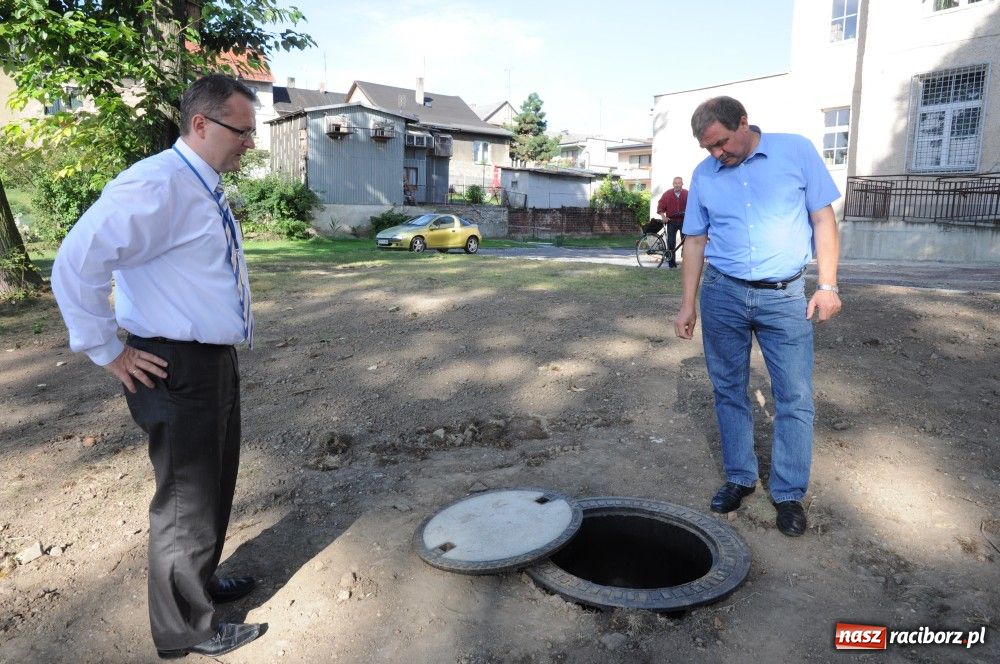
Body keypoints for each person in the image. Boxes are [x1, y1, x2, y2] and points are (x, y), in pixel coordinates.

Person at [51, 74, 265, 658]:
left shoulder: (200, 184)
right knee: (185, 499)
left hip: (209, 361)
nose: (250, 143)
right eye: (241, 131)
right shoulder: (158, 183)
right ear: (201, 124)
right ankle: (182, 631)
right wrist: (107, 349)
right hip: (173, 365)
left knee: (215, 480)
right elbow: (76, 264)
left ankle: (198, 586)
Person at [672, 96, 842, 537]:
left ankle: (788, 493)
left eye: (722, 143)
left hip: (784, 297)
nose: (716, 155)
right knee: (728, 389)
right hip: (722, 293)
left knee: (794, 396)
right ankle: (740, 477)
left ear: (744, 123)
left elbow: (822, 220)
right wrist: (688, 303)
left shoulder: (796, 151)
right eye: (707, 148)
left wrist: (827, 286)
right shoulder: (704, 175)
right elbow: (694, 242)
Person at [656, 176, 688, 268]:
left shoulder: (687, 194)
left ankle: (685, 263)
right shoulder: (667, 194)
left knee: (685, 242)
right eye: (675, 183)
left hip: (683, 221)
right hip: (671, 221)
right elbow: (660, 206)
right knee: (671, 242)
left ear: (682, 184)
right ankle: (672, 264)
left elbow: (693, 206)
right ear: (673, 184)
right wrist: (663, 216)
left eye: (679, 183)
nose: (677, 185)